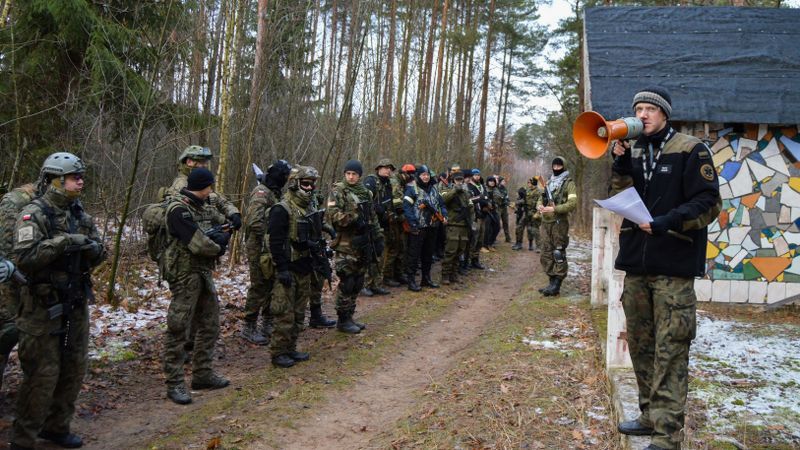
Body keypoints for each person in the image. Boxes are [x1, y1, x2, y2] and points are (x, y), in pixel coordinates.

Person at [611, 87, 720, 450]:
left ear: (664, 114)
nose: (642, 115)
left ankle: (667, 434)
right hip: (637, 264)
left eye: (648, 109)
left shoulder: (690, 149)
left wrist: (668, 221)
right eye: (637, 108)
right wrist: (621, 164)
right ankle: (647, 416)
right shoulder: (635, 148)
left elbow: (708, 202)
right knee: (641, 345)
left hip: (674, 264)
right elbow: (623, 196)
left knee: (671, 349)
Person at [11, 152, 107, 449]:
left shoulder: (80, 214)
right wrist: (64, 242)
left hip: (75, 302)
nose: (80, 181)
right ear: (55, 180)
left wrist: (92, 249)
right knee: (42, 373)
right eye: (74, 177)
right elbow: (25, 258)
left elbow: (102, 252)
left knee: (74, 367)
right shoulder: (34, 214)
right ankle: (24, 438)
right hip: (41, 308)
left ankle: (56, 427)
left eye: (80, 176)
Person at [162, 168, 231, 405]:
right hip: (183, 275)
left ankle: (202, 374)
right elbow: (197, 243)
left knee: (210, 322)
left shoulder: (202, 206)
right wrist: (218, 246)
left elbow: (221, 222)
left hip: (201, 272)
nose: (211, 191)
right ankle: (174, 382)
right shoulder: (178, 209)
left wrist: (227, 228)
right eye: (210, 187)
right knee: (179, 327)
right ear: (202, 187)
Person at [267, 166, 323, 368]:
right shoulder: (282, 209)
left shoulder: (309, 208)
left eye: (312, 184)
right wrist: (281, 268)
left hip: (304, 267)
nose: (309, 188)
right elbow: (275, 241)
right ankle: (278, 352)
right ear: (294, 184)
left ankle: (290, 348)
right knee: (285, 314)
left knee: (299, 313)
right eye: (305, 184)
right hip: (288, 268)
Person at [328, 160, 384, 334]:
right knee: (347, 281)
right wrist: (353, 218)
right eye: (348, 174)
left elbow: (372, 216)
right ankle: (342, 319)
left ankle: (350, 316)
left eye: (354, 174)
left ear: (359, 175)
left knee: (358, 281)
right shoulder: (337, 191)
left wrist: (377, 237)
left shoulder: (366, 193)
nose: (351, 177)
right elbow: (333, 216)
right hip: (345, 245)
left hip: (362, 244)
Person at [240, 160, 292, 345]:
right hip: (258, 247)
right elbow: (254, 221)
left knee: (271, 282)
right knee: (259, 285)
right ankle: (249, 326)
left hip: (270, 247)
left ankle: (267, 322)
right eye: (285, 176)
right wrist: (272, 234)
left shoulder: (275, 192)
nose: (287, 179)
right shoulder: (262, 192)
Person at [0, 182, 37, 391]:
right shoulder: (14, 202)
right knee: (8, 330)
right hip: (8, 282)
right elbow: (5, 244)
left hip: (26, 280)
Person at [536, 157, 577, 296]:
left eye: (559, 166)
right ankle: (551, 281)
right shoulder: (548, 182)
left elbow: (572, 204)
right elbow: (540, 199)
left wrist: (555, 209)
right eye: (555, 165)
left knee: (558, 252)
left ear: (564, 167)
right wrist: (540, 206)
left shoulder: (569, 183)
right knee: (546, 252)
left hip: (559, 223)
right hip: (546, 222)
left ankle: (557, 284)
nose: (557, 168)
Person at [402, 165, 446, 291]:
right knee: (414, 255)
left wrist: (445, 215)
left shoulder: (434, 189)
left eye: (427, 174)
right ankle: (411, 281)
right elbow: (407, 207)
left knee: (428, 254)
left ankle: (426, 279)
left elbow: (441, 204)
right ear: (418, 176)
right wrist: (413, 223)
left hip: (432, 226)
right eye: (423, 175)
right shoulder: (412, 189)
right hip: (418, 228)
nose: (425, 177)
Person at [362, 159, 395, 296]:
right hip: (372, 225)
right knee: (370, 257)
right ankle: (365, 284)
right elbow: (365, 202)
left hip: (385, 225)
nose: (388, 170)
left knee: (381, 256)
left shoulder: (388, 184)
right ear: (378, 168)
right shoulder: (371, 181)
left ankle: (377, 284)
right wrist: (378, 209)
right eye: (385, 167)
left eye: (390, 168)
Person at [440, 171, 473, 285]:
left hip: (464, 226)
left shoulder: (466, 193)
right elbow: (443, 200)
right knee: (450, 251)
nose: (459, 182)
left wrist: (471, 222)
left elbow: (470, 207)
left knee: (460, 251)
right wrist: (455, 190)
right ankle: (445, 275)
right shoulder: (447, 190)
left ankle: (454, 274)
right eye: (457, 180)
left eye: (461, 180)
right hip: (453, 225)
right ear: (453, 181)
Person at [381, 163, 410, 286]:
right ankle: (387, 277)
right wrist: (402, 215)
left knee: (400, 248)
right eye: (408, 174)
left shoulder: (399, 183)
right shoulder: (394, 182)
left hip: (397, 219)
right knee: (393, 248)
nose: (409, 177)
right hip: (392, 220)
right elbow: (396, 202)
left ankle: (397, 274)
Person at [466, 169, 487, 269]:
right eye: (475, 175)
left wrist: (487, 202)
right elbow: (469, 200)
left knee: (480, 240)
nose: (477, 177)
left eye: (478, 175)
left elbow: (486, 197)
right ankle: (468, 260)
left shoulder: (482, 186)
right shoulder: (469, 186)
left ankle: (476, 260)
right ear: (472, 176)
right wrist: (480, 198)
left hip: (483, 215)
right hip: (474, 217)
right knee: (473, 238)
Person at [513, 178, 541, 252]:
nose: (528, 184)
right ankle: (519, 243)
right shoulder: (527, 190)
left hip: (534, 212)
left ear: (533, 183)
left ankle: (537, 246)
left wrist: (538, 213)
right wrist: (517, 202)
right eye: (528, 182)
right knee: (519, 227)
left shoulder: (538, 192)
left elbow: (539, 202)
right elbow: (524, 199)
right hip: (526, 212)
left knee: (534, 229)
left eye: (529, 182)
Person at [497, 177, 512, 243]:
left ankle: (508, 238)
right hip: (498, 208)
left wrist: (510, 203)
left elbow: (507, 198)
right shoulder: (496, 189)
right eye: (503, 181)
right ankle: (494, 239)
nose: (504, 182)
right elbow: (500, 199)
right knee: (497, 223)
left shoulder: (505, 189)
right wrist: (505, 201)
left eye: (504, 181)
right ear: (500, 182)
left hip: (504, 208)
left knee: (506, 223)